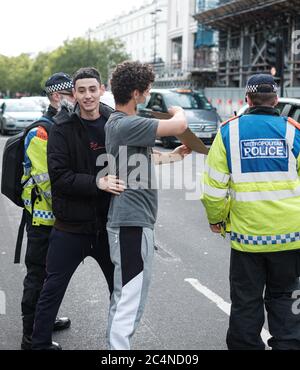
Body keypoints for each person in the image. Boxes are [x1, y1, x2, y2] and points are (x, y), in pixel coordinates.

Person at [201, 74, 300, 350]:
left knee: (246, 301)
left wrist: (217, 219)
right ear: (276, 100)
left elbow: (213, 189)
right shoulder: (294, 132)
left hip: (248, 240)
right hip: (291, 238)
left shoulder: (228, 133)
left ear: (247, 99)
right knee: (287, 298)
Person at [31, 67, 125, 350]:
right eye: (81, 90)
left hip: (108, 226)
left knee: (120, 291)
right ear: (74, 93)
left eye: (92, 89)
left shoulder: (114, 121)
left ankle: (118, 346)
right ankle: (39, 344)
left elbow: (133, 161)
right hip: (70, 227)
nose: (87, 96)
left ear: (101, 89)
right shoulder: (61, 127)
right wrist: (99, 182)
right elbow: (59, 177)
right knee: (52, 290)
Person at [105, 61, 191, 350]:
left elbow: (142, 160)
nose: (148, 94)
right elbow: (179, 125)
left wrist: (174, 157)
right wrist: (177, 107)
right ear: (136, 93)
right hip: (131, 223)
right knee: (129, 297)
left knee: (128, 295)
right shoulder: (127, 123)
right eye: (147, 90)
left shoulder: (120, 124)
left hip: (131, 222)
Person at [21, 73, 75, 350]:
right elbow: (47, 182)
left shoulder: (61, 125)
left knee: (52, 274)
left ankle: (46, 319)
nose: (77, 98)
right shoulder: (41, 131)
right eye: (72, 93)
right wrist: (69, 210)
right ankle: (30, 335)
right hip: (43, 219)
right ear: (57, 96)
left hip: (58, 219)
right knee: (37, 275)